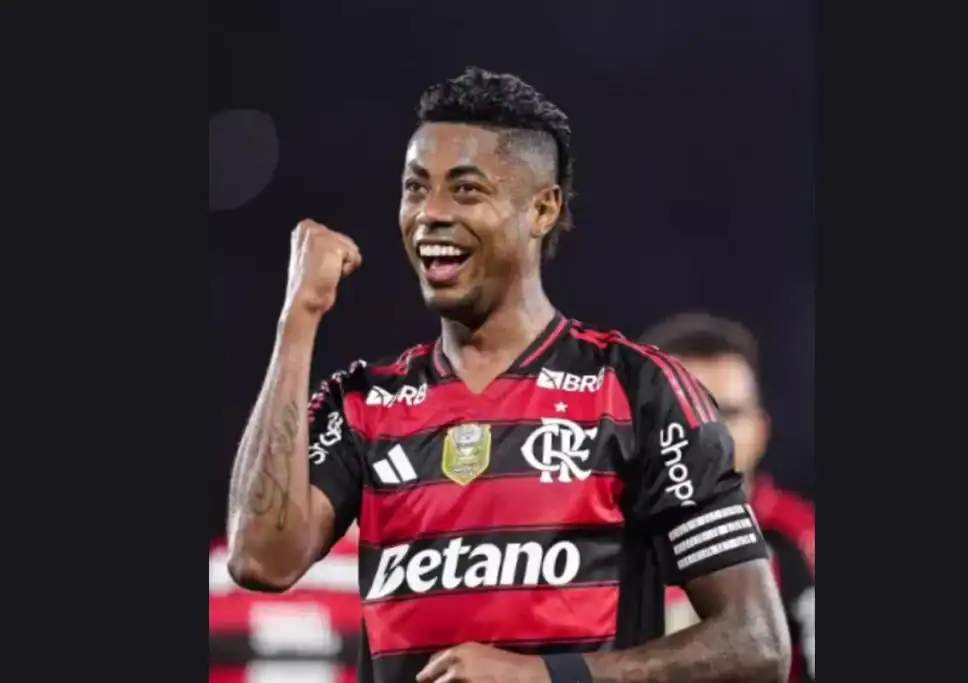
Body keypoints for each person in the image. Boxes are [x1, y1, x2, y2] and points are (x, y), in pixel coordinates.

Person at [225, 67, 790, 683]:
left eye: (465, 191)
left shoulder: (637, 391)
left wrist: (550, 677)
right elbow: (261, 560)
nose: (429, 214)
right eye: (415, 188)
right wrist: (298, 318)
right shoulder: (366, 403)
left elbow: (755, 642)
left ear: (542, 208)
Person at [639, 313, 815, 682]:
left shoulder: (806, 540)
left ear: (760, 429)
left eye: (729, 413)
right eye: (687, 411)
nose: (711, 436)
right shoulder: (597, 541)